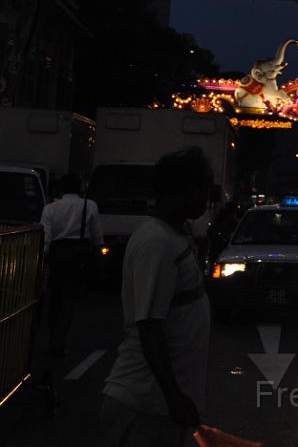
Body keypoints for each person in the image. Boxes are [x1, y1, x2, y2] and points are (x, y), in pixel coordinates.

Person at [102, 147, 214, 446]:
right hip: (145, 404)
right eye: (203, 188)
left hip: (158, 406)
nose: (206, 199)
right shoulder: (158, 244)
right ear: (185, 190)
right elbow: (150, 327)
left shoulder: (176, 237)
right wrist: (174, 398)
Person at [40, 173, 103, 357]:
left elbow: (46, 237)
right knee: (69, 299)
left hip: (57, 255)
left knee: (54, 297)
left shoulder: (50, 208)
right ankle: (60, 339)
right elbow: (97, 235)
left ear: (60, 188)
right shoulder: (89, 205)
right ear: (80, 188)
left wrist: (44, 257)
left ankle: (52, 336)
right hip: (78, 257)